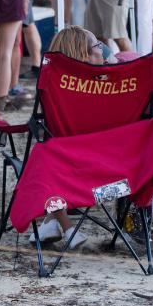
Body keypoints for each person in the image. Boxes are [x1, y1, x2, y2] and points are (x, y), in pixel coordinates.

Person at [28, 25, 107, 249]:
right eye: (98, 46)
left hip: (67, 166)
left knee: (45, 155)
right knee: (50, 156)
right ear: (84, 54)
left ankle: (65, 226)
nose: (103, 50)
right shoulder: (114, 86)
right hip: (114, 167)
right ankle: (56, 225)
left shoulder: (53, 89)